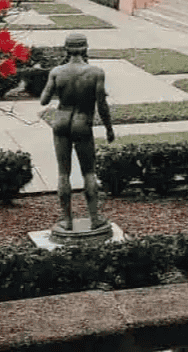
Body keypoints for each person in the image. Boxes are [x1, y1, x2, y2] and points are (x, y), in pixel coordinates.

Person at [39, 32, 115, 231]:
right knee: (89, 172)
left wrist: (59, 86)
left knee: (63, 173)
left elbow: (44, 100)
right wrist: (109, 128)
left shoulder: (57, 71)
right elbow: (102, 105)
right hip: (83, 122)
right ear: (85, 48)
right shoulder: (96, 72)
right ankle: (94, 218)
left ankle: (67, 220)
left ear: (66, 49)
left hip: (61, 122)